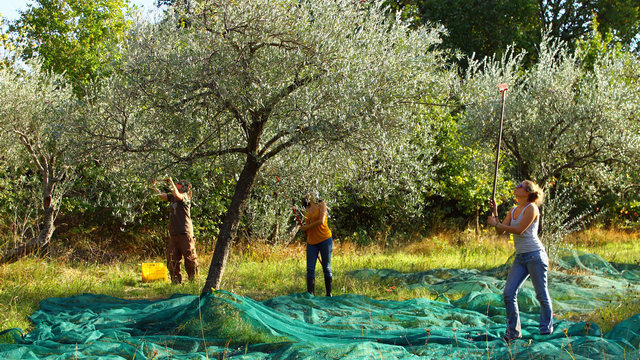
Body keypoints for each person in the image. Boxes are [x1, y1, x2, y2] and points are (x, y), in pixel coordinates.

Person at [488, 180, 553, 342]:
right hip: (521, 257)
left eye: (520, 186)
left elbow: (518, 230)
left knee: (541, 294)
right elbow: (500, 231)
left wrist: (499, 224)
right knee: (508, 294)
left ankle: (546, 329)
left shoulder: (532, 209)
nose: (516, 187)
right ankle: (513, 332)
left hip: (535, 256)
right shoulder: (514, 210)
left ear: (527, 192)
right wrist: (495, 212)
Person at [152, 177, 198, 284]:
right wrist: (154, 186)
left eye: (178, 184)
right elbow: (161, 196)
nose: (176, 185)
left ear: (183, 187)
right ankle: (176, 282)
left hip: (185, 233)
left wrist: (170, 181)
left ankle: (193, 281)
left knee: (189, 258)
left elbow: (177, 195)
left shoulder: (185, 196)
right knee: (172, 259)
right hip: (174, 233)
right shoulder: (172, 196)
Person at [299, 192, 333, 297]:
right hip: (311, 242)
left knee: (326, 267)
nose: (309, 194)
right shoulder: (306, 210)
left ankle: (329, 294)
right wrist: (305, 229)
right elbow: (307, 226)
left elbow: (321, 221)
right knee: (310, 268)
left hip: (325, 239)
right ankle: (311, 295)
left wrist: (306, 228)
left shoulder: (322, 204)